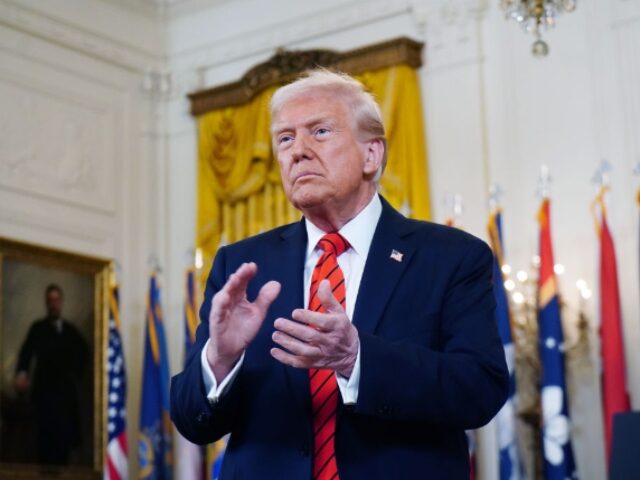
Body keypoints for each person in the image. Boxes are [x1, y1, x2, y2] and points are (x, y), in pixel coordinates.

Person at [170, 70, 508, 479]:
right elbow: (192, 421)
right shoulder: (242, 266)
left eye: (320, 131)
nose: (298, 151)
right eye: (285, 138)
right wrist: (219, 360)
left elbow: (480, 390)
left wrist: (357, 358)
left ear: (372, 155)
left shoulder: (451, 256)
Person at [14, 283, 89, 465]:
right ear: (46, 303)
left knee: (62, 451)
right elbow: (26, 353)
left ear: (61, 302)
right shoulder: (38, 328)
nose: (53, 304)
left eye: (56, 300)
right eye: (50, 301)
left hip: (65, 399)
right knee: (43, 448)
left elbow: (84, 353)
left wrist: (74, 375)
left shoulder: (71, 331)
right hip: (44, 397)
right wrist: (22, 374)